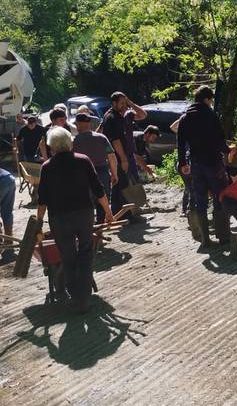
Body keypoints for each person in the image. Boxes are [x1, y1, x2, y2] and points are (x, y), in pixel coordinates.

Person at [36, 127, 114, 313]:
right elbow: (98, 188)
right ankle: (84, 297)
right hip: (83, 214)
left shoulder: (47, 167)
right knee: (86, 254)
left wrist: (38, 222)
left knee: (68, 257)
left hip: (60, 218)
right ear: (70, 142)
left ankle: (75, 296)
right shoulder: (83, 161)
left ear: (51, 146)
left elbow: (43, 198)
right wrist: (108, 211)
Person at [177, 85, 231, 247]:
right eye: (211, 100)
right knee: (219, 196)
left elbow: (180, 143)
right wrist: (229, 151)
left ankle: (205, 239)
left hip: (196, 164)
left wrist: (183, 163)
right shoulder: (210, 115)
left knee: (200, 200)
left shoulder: (185, 118)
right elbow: (220, 139)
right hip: (213, 162)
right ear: (207, 99)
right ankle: (223, 237)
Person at [101, 91, 147, 221]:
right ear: (114, 103)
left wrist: (130, 102)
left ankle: (119, 215)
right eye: (121, 103)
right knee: (124, 186)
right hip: (118, 157)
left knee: (119, 186)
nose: (123, 105)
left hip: (124, 156)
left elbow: (143, 115)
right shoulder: (111, 117)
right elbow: (115, 141)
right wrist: (123, 159)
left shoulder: (124, 115)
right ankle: (127, 215)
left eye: (124, 102)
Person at [73, 113, 119, 224]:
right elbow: (112, 157)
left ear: (78, 124)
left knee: (86, 202)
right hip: (102, 172)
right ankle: (101, 225)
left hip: (83, 174)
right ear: (89, 123)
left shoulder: (75, 141)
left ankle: (88, 227)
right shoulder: (101, 138)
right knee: (102, 200)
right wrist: (114, 174)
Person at [170, 118, 192, 217]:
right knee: (190, 186)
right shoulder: (183, 134)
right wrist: (184, 117)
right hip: (185, 163)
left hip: (187, 163)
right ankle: (187, 209)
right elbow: (172, 127)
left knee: (189, 186)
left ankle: (186, 209)